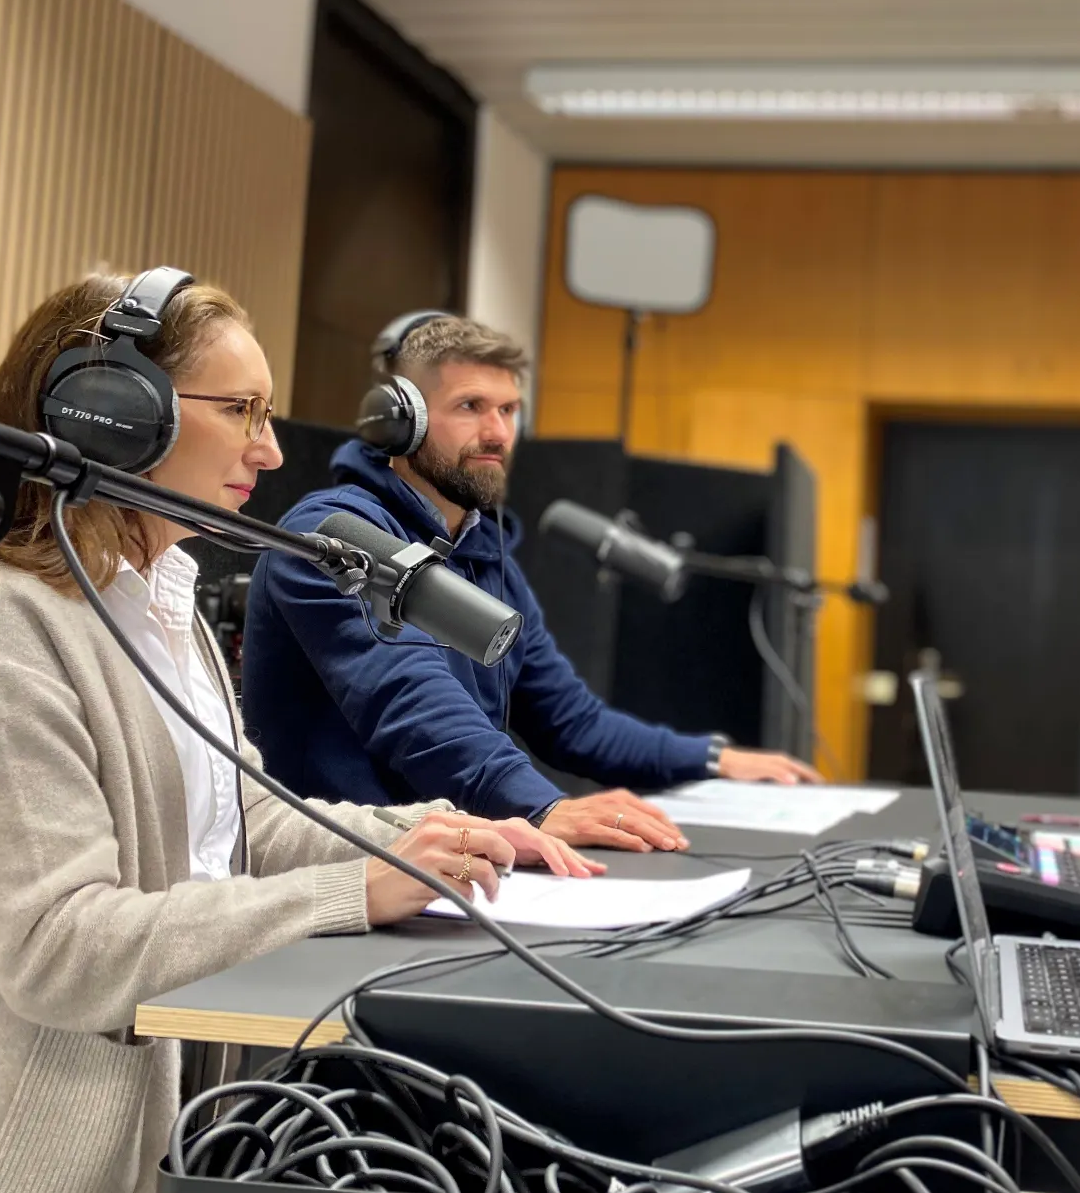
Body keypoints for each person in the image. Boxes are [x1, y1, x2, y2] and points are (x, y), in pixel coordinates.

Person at [0, 274, 586, 1193]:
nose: (269, 451)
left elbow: (241, 821)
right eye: (242, 412)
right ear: (113, 413)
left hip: (186, 1158)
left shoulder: (158, 596)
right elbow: (57, 945)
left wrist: (425, 837)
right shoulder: (5, 624)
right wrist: (349, 891)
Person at [239, 314, 820, 855]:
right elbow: (410, 698)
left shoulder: (487, 559)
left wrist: (713, 759)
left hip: (455, 861)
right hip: (343, 866)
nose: (498, 433)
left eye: (510, 410)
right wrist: (541, 806)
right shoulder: (334, 539)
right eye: (471, 406)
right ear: (397, 422)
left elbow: (572, 722)